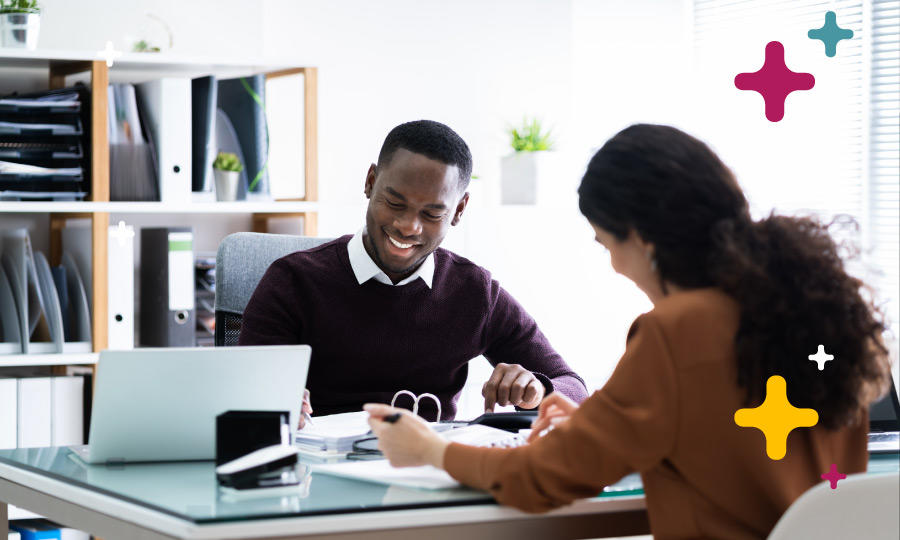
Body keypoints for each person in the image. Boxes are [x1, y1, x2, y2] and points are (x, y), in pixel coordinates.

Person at [365, 124, 893, 540]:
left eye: (605, 243)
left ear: (642, 239)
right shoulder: (818, 308)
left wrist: (430, 450)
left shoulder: (676, 330)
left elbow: (542, 480)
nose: (615, 265)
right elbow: (736, 444)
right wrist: (603, 427)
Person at [240, 120, 589, 425]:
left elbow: (572, 387)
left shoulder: (474, 291)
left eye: (432, 214)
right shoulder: (292, 282)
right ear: (371, 182)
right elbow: (242, 397)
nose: (408, 226)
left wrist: (538, 390)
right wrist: (270, 406)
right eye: (395, 203)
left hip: (428, 480)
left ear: (459, 209)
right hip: (318, 483)